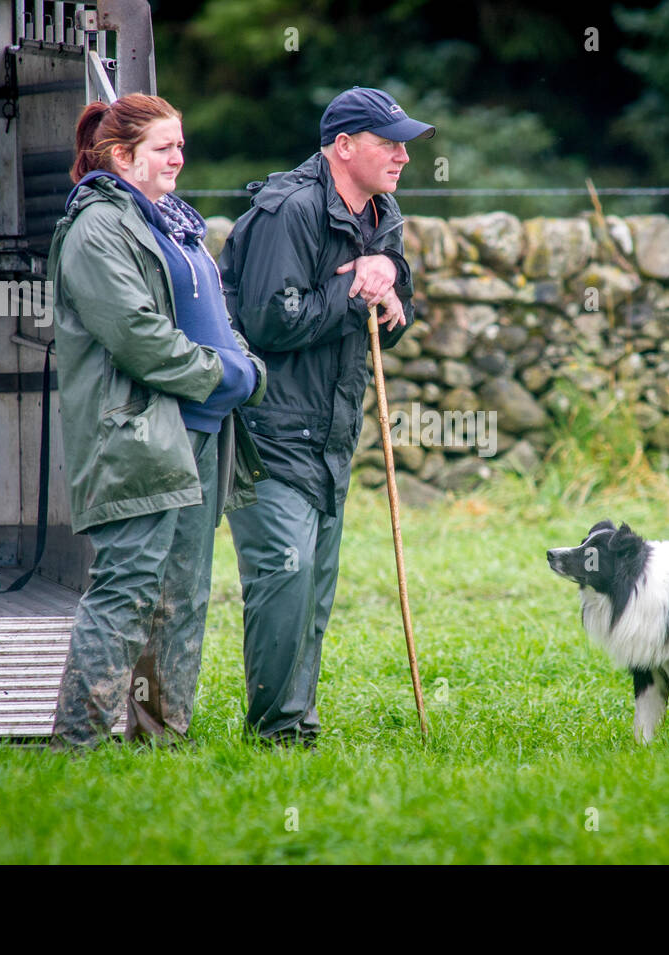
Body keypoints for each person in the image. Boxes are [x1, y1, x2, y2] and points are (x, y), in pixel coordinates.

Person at [47, 93, 268, 750]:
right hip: (138, 432)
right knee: (128, 586)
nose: (180, 156)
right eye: (165, 146)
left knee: (181, 593)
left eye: (180, 144)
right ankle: (76, 744)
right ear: (122, 155)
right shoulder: (96, 229)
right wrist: (227, 375)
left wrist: (243, 360)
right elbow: (136, 335)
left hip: (197, 432)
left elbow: (208, 307)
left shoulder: (167, 220)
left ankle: (158, 738)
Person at [219, 87, 435, 747]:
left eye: (404, 142)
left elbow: (390, 314)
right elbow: (271, 319)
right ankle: (276, 734)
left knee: (312, 592)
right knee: (283, 579)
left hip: (331, 437)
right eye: (388, 141)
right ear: (344, 146)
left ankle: (297, 722)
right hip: (267, 432)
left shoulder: (381, 210)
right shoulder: (290, 211)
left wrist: (389, 282)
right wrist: (355, 290)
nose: (402, 155)